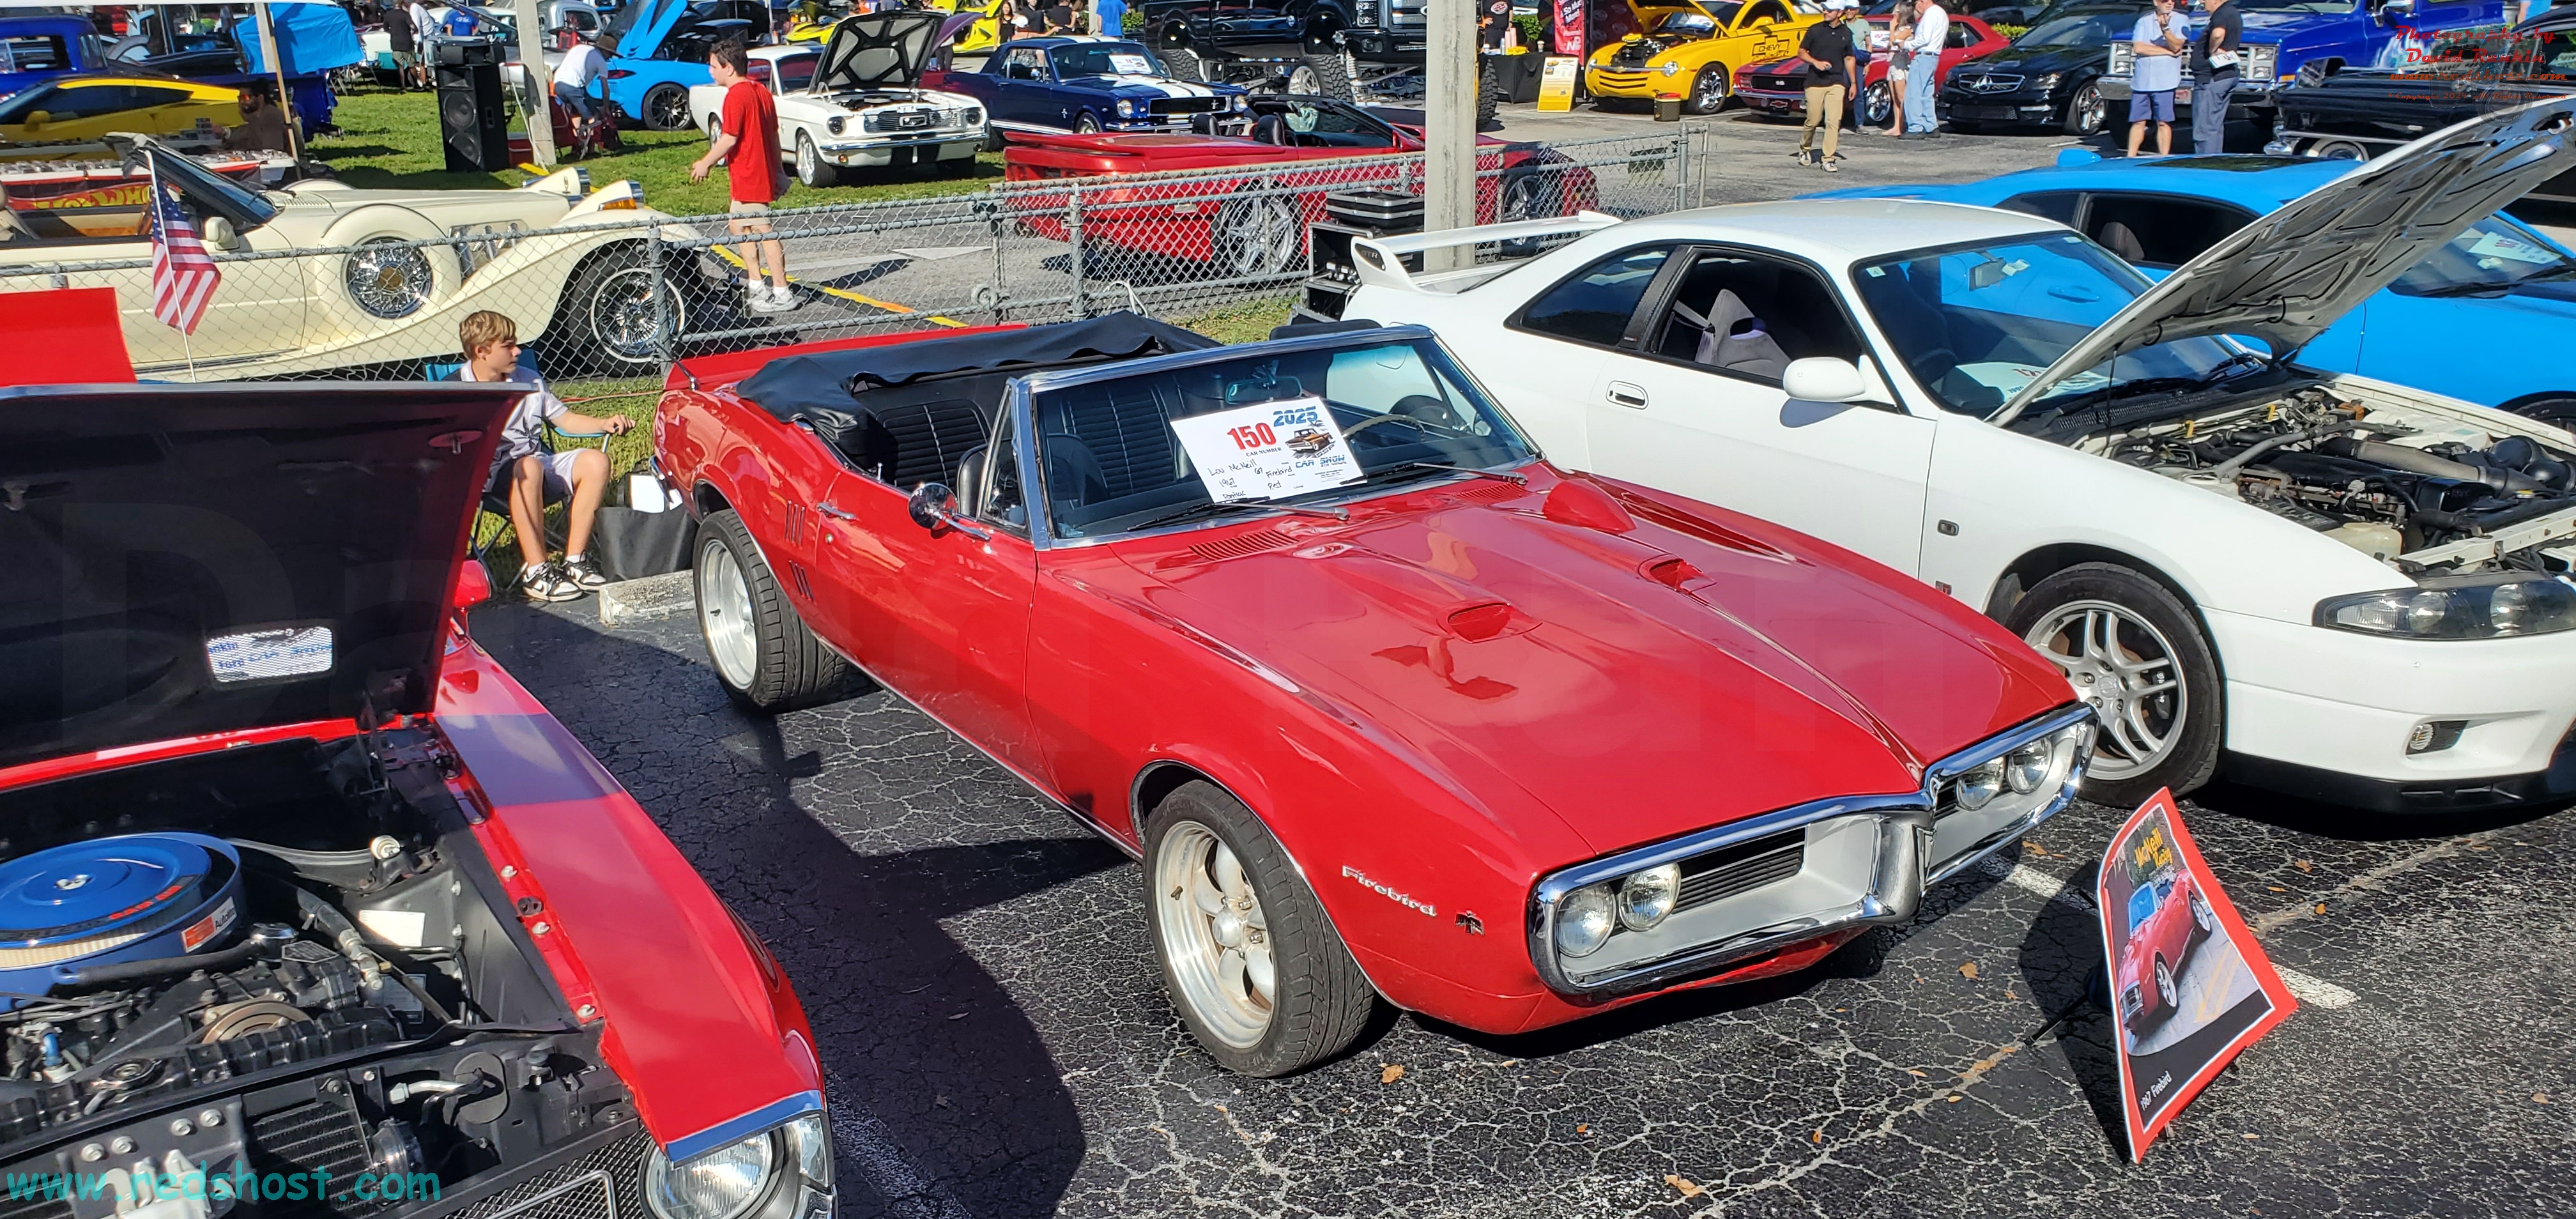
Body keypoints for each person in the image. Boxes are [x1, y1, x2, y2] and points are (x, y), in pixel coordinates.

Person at [451, 310, 633, 602]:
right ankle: (537, 571)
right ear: (482, 351)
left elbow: (566, 420)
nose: (517, 351)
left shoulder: (529, 380)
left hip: (534, 465)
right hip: (488, 477)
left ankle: (575, 561)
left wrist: (603, 423)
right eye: (508, 346)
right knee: (529, 466)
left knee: (595, 462)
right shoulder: (456, 390)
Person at [691, 39, 797, 314]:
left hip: (749, 173)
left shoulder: (736, 96)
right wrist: (778, 171)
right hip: (753, 173)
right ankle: (756, 284)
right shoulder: (760, 90)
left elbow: (730, 137)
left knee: (763, 230)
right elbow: (773, 135)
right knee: (739, 226)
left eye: (713, 66)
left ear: (728, 68)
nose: (710, 71)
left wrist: (705, 163)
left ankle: (782, 291)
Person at [1795, 0, 1859, 171]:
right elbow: (1801, 52)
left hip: (1836, 82)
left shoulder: (1846, 33)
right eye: (1825, 9)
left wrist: (1853, 83)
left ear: (1840, 13)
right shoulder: (1815, 30)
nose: (1826, 12)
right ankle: (1805, 148)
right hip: (1815, 81)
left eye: (1830, 10)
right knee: (1813, 120)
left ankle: (1828, 159)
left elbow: (1849, 58)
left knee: (1833, 121)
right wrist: (1815, 62)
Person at [2127, 0, 2190, 156]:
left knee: (2163, 121)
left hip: (2165, 81)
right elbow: (2138, 48)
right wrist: (2168, 52)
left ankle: (2163, 157)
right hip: (2142, 80)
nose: (2170, 3)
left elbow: (2177, 45)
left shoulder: (2181, 20)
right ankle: (2130, 156)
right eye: (2165, 0)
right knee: (2138, 121)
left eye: (2172, 0)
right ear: (2156, 2)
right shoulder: (2144, 21)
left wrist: (2165, 29)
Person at [2194, 0, 2239, 152]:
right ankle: (2215, 158)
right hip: (2226, 75)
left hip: (2212, 77)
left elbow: (2218, 33)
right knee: (2214, 126)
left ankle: (2204, 161)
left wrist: (2213, 50)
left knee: (2205, 128)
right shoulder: (2233, 12)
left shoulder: (2221, 13)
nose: (2201, 1)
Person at [1898, 0, 1945, 137]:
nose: (1915, 8)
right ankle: (1931, 125)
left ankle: (1915, 127)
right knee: (1926, 93)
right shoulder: (1941, 13)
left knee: (1913, 93)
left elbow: (1924, 38)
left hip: (1924, 55)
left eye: (1915, 4)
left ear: (1922, 1)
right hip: (1934, 56)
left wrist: (1905, 45)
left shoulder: (1930, 14)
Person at [553, 28, 606, 142]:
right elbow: (605, 87)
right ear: (606, 52)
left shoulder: (577, 48)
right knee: (592, 116)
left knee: (575, 113)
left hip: (558, 83)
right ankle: (591, 143)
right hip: (572, 86)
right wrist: (606, 108)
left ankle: (576, 142)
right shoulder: (600, 59)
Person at [221, 84, 291, 153]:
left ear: (260, 98)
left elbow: (272, 152)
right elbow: (244, 138)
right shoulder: (255, 119)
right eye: (240, 98)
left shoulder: (270, 116)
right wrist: (224, 132)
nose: (242, 102)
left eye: (246, 97)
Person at [1882, 0, 1913, 135]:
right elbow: (1888, 46)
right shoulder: (1897, 30)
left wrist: (1891, 28)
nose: (1894, 14)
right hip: (1892, 63)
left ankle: (1907, 124)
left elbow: (1893, 43)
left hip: (1901, 64)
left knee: (1902, 97)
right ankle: (1897, 126)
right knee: (1894, 97)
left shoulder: (1907, 29)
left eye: (1896, 12)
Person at [385, 0, 417, 91]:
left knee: (400, 66)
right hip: (407, 42)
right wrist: (414, 31)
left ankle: (403, 86)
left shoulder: (388, 15)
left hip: (395, 43)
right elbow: (412, 26)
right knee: (412, 65)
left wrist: (394, 33)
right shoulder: (405, 15)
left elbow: (386, 28)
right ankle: (415, 84)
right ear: (402, 4)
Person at [407, 0, 434, 87]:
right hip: (423, 39)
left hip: (428, 38)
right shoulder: (415, 7)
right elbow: (417, 25)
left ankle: (426, 81)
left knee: (424, 62)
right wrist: (419, 41)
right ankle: (423, 82)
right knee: (422, 62)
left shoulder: (420, 7)